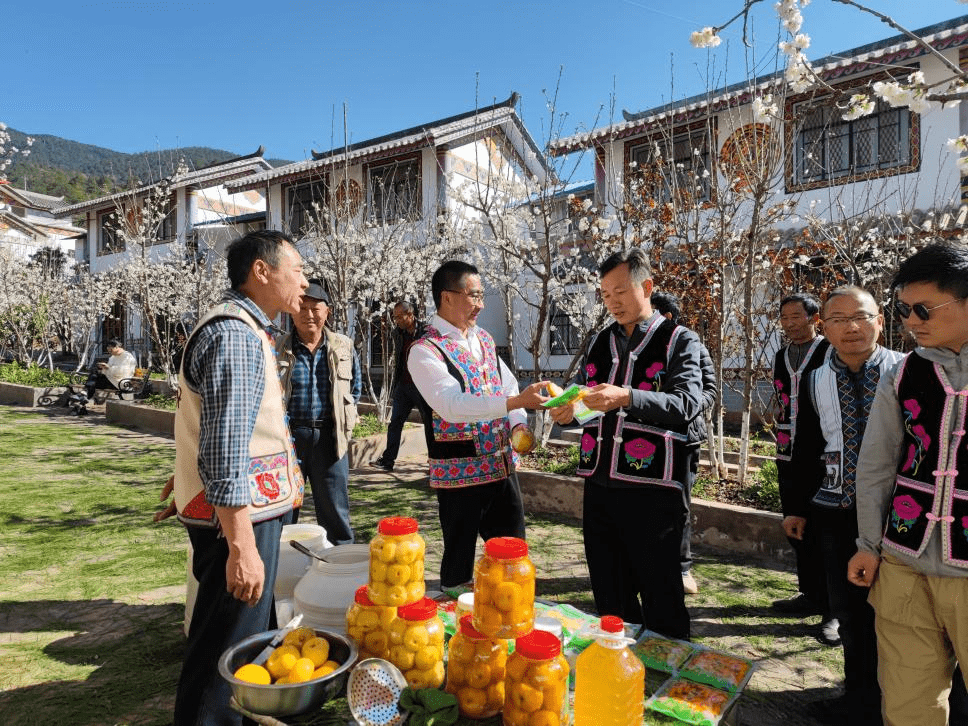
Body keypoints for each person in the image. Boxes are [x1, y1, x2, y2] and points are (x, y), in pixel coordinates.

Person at [171, 229, 307, 726]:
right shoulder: (235, 335)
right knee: (224, 655)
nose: (305, 279)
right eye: (298, 268)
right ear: (262, 271)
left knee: (238, 641)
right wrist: (242, 548)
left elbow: (204, 425)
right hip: (239, 519)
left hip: (239, 513)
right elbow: (227, 449)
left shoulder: (241, 328)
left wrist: (184, 476)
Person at [550, 248, 702, 640]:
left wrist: (628, 396)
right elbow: (592, 399)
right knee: (610, 593)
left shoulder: (678, 340)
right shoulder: (602, 341)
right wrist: (572, 411)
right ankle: (620, 669)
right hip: (600, 484)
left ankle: (668, 681)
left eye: (619, 291)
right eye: (604, 294)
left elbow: (687, 403)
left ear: (646, 286)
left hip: (652, 488)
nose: (612, 301)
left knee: (661, 594)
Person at [847, 243, 968, 726]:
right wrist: (869, 544)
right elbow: (876, 466)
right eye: (903, 310)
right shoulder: (902, 373)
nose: (910, 321)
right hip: (903, 561)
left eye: (924, 309)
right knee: (906, 701)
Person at [787, 286, 902, 725]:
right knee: (851, 613)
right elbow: (808, 446)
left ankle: (907, 700)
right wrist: (795, 507)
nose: (851, 327)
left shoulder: (905, 371)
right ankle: (859, 700)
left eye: (861, 316)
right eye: (838, 319)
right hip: (835, 510)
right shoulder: (815, 377)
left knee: (902, 617)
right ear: (824, 327)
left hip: (899, 515)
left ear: (879, 320)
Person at [408, 260, 550, 588]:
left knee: (513, 557)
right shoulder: (424, 351)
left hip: (501, 468)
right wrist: (514, 404)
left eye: (481, 295)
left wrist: (517, 424)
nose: (481, 304)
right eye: (474, 295)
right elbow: (451, 405)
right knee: (459, 564)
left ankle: (508, 616)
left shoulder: (483, 339)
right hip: (459, 477)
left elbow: (510, 385)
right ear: (447, 297)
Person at [771, 293, 838, 645]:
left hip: (825, 453)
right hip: (788, 451)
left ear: (815, 318)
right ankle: (809, 593)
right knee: (794, 523)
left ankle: (834, 610)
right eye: (784, 317)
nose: (789, 323)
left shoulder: (829, 351)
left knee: (827, 526)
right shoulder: (781, 355)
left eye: (796, 316)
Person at [276, 279, 362, 545]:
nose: (309, 314)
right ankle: (282, 568)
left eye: (316, 308)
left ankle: (339, 568)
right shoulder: (277, 346)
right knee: (285, 510)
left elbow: (354, 389)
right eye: (302, 307)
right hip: (289, 439)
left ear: (328, 311)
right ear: (292, 311)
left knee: (335, 510)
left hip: (330, 437)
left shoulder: (343, 346)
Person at [650, 290, 717, 596]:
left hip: (683, 439)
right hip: (649, 440)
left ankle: (683, 567)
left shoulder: (688, 342)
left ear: (664, 317)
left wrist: (682, 404)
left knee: (680, 505)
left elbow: (710, 390)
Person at [373, 300, 427, 472]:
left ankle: (434, 462)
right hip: (403, 385)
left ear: (410, 315)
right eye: (394, 317)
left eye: (398, 316)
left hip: (422, 387)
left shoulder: (426, 332)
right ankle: (388, 461)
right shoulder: (398, 332)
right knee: (395, 423)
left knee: (430, 425)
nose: (396, 320)